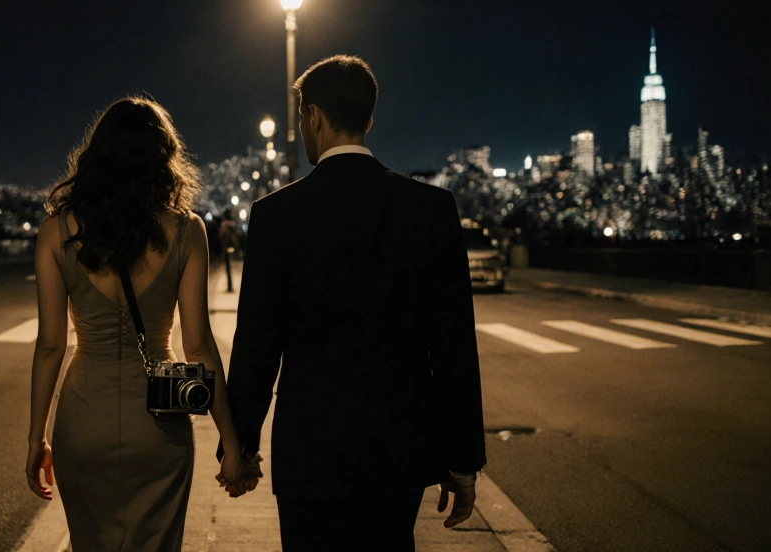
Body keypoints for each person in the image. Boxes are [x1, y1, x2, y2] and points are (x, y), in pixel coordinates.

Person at [220, 55, 486, 550]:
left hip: (310, 450)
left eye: (302, 119)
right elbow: (453, 347)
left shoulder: (276, 215)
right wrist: (463, 458)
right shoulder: (430, 210)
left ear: (313, 117)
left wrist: (239, 447)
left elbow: (257, 346)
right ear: (368, 119)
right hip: (399, 448)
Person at [26, 97, 257, 551]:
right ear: (163, 158)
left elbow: (50, 346)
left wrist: (37, 437)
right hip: (159, 426)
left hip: (82, 420)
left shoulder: (57, 232)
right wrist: (233, 445)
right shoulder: (188, 231)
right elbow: (200, 347)